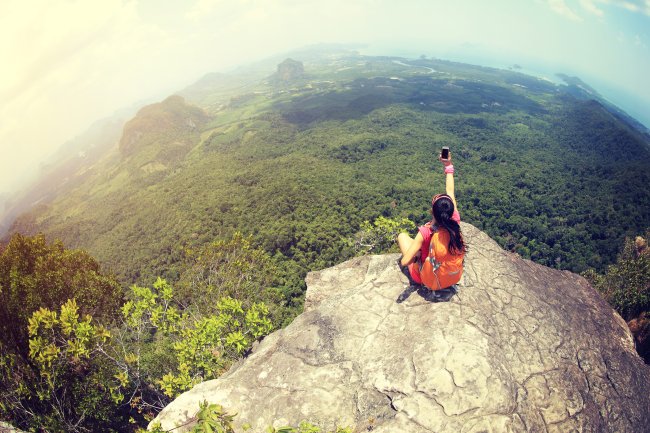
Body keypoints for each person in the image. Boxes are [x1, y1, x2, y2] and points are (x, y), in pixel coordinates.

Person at [396, 151, 467, 292]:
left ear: (432, 211)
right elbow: (450, 191)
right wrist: (448, 165)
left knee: (402, 236)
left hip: (424, 276)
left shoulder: (425, 232)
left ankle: (421, 266)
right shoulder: (455, 220)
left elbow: (405, 261)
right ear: (451, 210)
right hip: (448, 274)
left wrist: (416, 258)